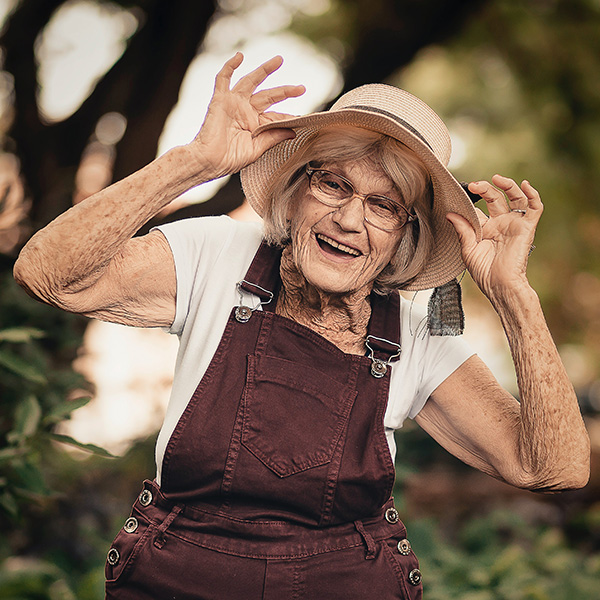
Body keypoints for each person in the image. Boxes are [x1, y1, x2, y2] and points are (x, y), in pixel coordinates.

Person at [14, 53, 590, 599]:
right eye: (334, 185)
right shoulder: (218, 253)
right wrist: (194, 162)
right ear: (296, 191)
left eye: (383, 206)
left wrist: (515, 297)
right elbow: (47, 275)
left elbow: (554, 468)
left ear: (402, 240)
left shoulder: (416, 336)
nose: (349, 219)